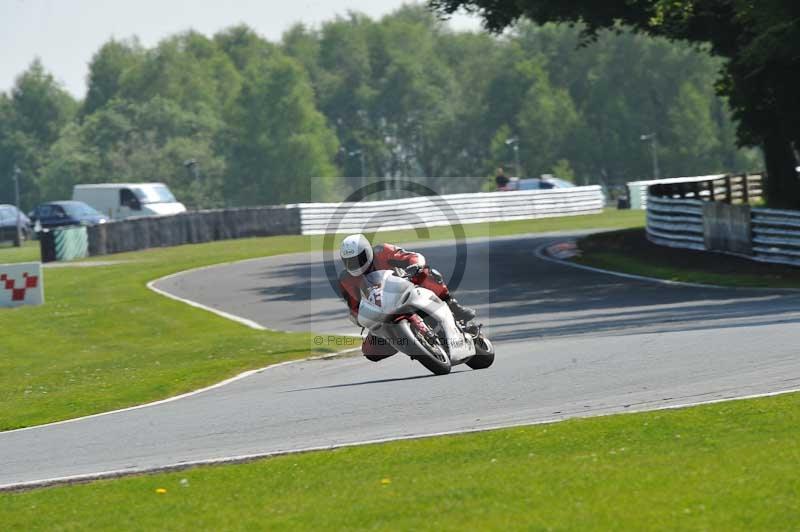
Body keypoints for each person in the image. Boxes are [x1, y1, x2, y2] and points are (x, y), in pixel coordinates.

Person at [338, 233, 476, 362]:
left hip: (408, 288)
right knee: (370, 351)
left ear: (367, 252)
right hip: (381, 310)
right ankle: (410, 343)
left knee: (426, 273)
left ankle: (452, 306)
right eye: (350, 262)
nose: (355, 265)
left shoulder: (382, 251)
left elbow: (411, 256)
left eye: (358, 259)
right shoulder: (346, 279)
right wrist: (361, 318)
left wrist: (415, 265)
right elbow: (354, 306)